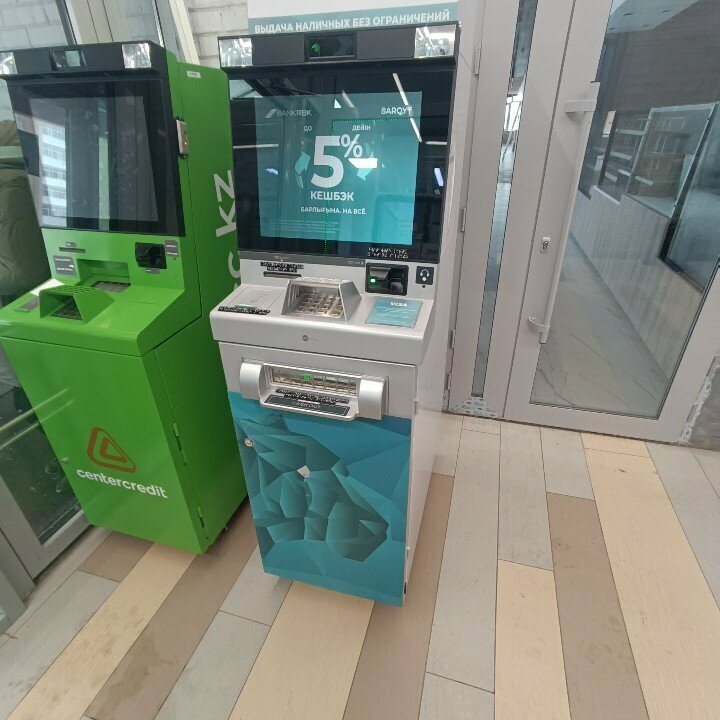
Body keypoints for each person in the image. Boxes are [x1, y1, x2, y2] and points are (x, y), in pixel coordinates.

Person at [0, 120, 50, 414]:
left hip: (21, 295)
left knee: (25, 374)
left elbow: (19, 271)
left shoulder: (9, 186)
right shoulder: (26, 178)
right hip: (41, 287)